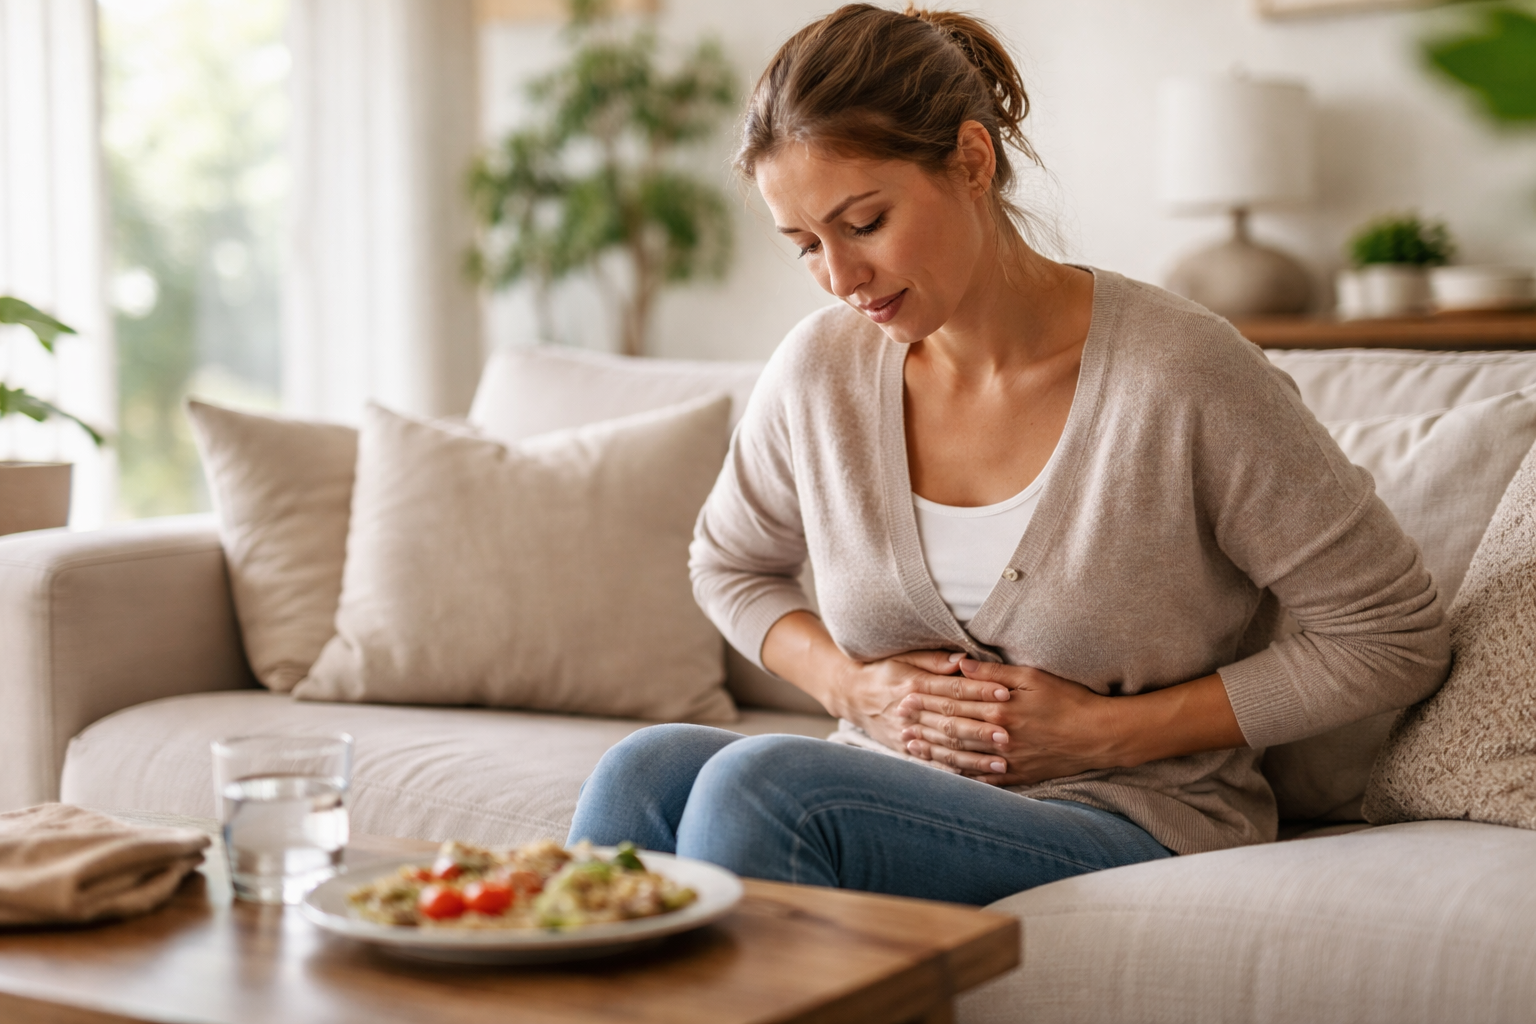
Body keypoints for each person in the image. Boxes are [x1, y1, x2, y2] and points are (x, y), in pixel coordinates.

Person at [566, 3, 1449, 905]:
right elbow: (728, 565)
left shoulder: (1183, 374)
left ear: (972, 160)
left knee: (763, 789)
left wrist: (1108, 733)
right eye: (804, 246)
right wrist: (851, 688)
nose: (839, 278)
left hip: (1124, 815)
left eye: (864, 223)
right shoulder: (819, 371)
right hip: (881, 784)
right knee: (649, 767)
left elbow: (1392, 637)